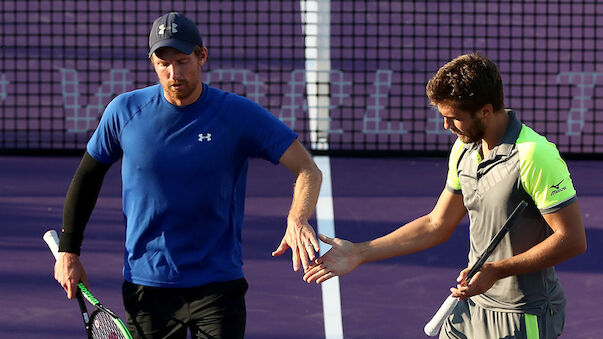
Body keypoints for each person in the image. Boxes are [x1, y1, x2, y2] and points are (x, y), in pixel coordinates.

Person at [54, 12, 322, 339]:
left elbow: (307, 168)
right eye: (163, 64)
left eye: (182, 61)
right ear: (152, 62)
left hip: (218, 285)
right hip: (147, 285)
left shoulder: (237, 115)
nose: (173, 73)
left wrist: (297, 218)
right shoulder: (123, 112)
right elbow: (87, 178)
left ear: (202, 56)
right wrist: (69, 251)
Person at [303, 53, 586, 338]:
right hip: (470, 306)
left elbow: (572, 239)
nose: (446, 127)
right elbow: (436, 224)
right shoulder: (465, 149)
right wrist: (359, 252)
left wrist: (497, 270)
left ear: (485, 111)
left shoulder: (534, 155)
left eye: (454, 118)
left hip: (522, 316)